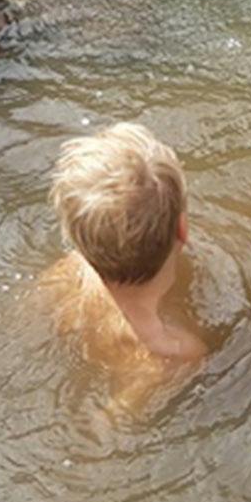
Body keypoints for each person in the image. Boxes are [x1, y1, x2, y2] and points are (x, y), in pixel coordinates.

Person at [39, 122, 212, 407]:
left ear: (81, 244)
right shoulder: (176, 352)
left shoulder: (68, 272)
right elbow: (119, 417)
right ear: (182, 229)